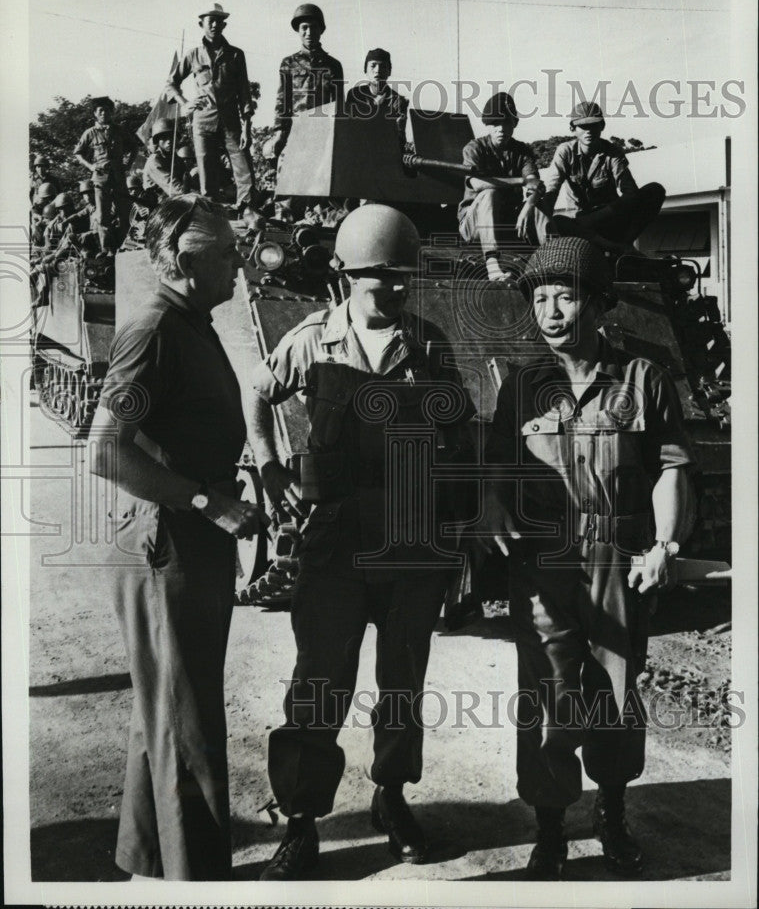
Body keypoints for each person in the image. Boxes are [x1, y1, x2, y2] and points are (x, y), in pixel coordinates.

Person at [249, 204, 474, 880]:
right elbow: (257, 394)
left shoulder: (429, 345)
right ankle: (300, 820)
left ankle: (390, 797)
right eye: (382, 281)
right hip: (334, 543)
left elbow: (458, 436)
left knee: (401, 682)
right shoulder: (311, 339)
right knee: (318, 683)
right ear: (346, 276)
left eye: (404, 279)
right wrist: (267, 464)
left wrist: (458, 529)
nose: (397, 291)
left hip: (411, 541)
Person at [481, 235, 695, 880]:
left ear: (598, 305)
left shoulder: (643, 379)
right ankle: (550, 829)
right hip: (543, 561)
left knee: (614, 689)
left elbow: (672, 468)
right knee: (546, 694)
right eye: (540, 298)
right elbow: (496, 466)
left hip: (619, 559)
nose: (550, 311)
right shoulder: (522, 385)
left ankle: (612, 813)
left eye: (565, 297)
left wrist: (665, 545)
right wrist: (492, 508)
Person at [89, 194, 270, 880]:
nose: (239, 262)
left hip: (188, 538)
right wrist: (205, 501)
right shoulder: (156, 329)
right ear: (191, 260)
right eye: (228, 252)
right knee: (187, 722)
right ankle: (195, 880)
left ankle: (147, 862)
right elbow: (106, 450)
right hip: (167, 544)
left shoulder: (191, 323)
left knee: (165, 709)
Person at [540, 102, 666, 253]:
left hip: (610, 218)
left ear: (602, 126)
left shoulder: (612, 152)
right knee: (557, 221)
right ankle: (616, 248)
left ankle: (626, 243)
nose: (589, 131)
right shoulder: (564, 152)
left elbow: (631, 192)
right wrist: (545, 223)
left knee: (655, 190)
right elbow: (550, 191)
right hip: (580, 225)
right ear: (572, 129)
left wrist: (600, 215)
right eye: (583, 126)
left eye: (594, 125)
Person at [166, 4, 257, 213]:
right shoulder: (193, 55)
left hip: (231, 119)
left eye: (219, 21)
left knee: (243, 165)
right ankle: (211, 214)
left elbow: (244, 91)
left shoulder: (235, 55)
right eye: (210, 21)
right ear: (201, 24)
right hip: (203, 121)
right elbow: (170, 84)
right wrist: (185, 103)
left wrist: (247, 126)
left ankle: (248, 209)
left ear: (224, 25)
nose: (215, 25)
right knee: (207, 171)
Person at [458, 92, 548, 282]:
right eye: (495, 123)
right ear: (487, 125)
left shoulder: (521, 151)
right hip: (474, 225)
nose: (501, 129)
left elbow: (535, 183)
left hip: (508, 222)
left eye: (506, 123)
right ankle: (492, 263)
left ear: (514, 124)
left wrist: (529, 204)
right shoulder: (474, 148)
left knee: (538, 208)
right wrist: (520, 181)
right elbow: (477, 183)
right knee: (490, 193)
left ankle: (554, 262)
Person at [268, 3, 344, 164]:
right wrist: (279, 132)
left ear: (321, 30)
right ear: (298, 30)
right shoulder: (288, 63)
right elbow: (282, 101)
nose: (309, 32)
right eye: (304, 27)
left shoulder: (333, 65)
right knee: (288, 179)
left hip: (323, 133)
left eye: (314, 27)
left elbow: (339, 105)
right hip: (296, 131)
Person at [73, 96, 142, 252]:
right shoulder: (90, 133)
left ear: (112, 112)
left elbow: (134, 147)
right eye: (101, 110)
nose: (104, 113)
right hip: (100, 179)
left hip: (118, 177)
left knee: (125, 213)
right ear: (95, 114)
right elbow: (78, 153)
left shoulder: (119, 130)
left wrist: (128, 164)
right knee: (103, 216)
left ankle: (127, 245)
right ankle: (107, 250)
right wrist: (90, 166)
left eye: (108, 110)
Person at [345, 48, 408, 147]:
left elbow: (398, 136)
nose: (377, 70)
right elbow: (348, 128)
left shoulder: (397, 100)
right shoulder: (355, 94)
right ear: (365, 70)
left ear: (389, 71)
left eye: (383, 66)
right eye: (373, 66)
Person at [142, 118, 186, 202]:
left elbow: (188, 182)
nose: (169, 141)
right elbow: (173, 187)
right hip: (157, 205)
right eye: (164, 138)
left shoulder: (178, 160)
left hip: (175, 200)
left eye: (172, 137)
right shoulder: (154, 160)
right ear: (157, 141)